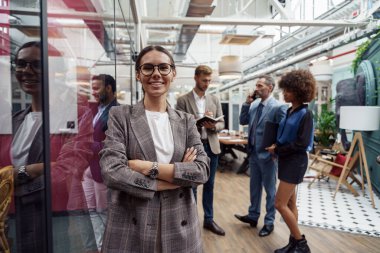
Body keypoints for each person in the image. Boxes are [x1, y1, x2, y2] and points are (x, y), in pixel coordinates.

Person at [99, 45, 210, 253]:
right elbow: (111, 171)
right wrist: (171, 180)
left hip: (180, 226)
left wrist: (147, 167)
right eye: (148, 68)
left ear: (173, 73)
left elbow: (202, 170)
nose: (156, 74)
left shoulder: (186, 121)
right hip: (132, 226)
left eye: (163, 68)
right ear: (138, 75)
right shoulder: (120, 116)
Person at [1, 41, 97, 253]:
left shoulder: (75, 115)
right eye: (21, 64)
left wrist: (12, 180)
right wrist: (36, 169)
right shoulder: (12, 121)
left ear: (54, 71)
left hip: (57, 219)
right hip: (13, 221)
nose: (27, 71)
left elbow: (67, 172)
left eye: (36, 64)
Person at [266, 70, 316, 253]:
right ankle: (293, 243)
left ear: (299, 91)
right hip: (286, 160)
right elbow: (286, 136)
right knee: (290, 204)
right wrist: (275, 146)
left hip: (296, 161)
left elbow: (301, 143)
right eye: (284, 89)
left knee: (279, 204)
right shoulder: (289, 111)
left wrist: (278, 149)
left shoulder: (306, 114)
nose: (284, 93)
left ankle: (301, 244)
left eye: (288, 90)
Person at [176, 65, 226, 236]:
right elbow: (179, 125)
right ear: (196, 78)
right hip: (193, 148)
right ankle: (192, 221)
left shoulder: (215, 99)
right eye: (204, 80)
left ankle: (209, 220)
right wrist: (196, 122)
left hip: (211, 146)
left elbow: (222, 123)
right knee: (193, 185)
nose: (207, 83)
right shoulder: (183, 100)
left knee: (209, 185)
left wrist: (213, 126)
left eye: (209, 81)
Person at [235, 75, 287, 237]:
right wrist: (246, 103)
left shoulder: (278, 107)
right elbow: (243, 121)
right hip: (252, 153)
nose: (256, 88)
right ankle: (253, 216)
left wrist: (276, 148)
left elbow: (283, 131)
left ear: (270, 87)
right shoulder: (254, 104)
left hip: (268, 156)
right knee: (254, 187)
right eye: (256, 85)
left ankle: (269, 222)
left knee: (270, 190)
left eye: (260, 85)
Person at [82, 74, 119, 250]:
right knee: (91, 212)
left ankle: (106, 247)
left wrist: (87, 144)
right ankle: (98, 247)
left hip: (103, 171)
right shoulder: (95, 109)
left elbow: (113, 145)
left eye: (96, 88)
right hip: (88, 169)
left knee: (104, 213)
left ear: (109, 88)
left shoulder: (117, 112)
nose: (93, 92)